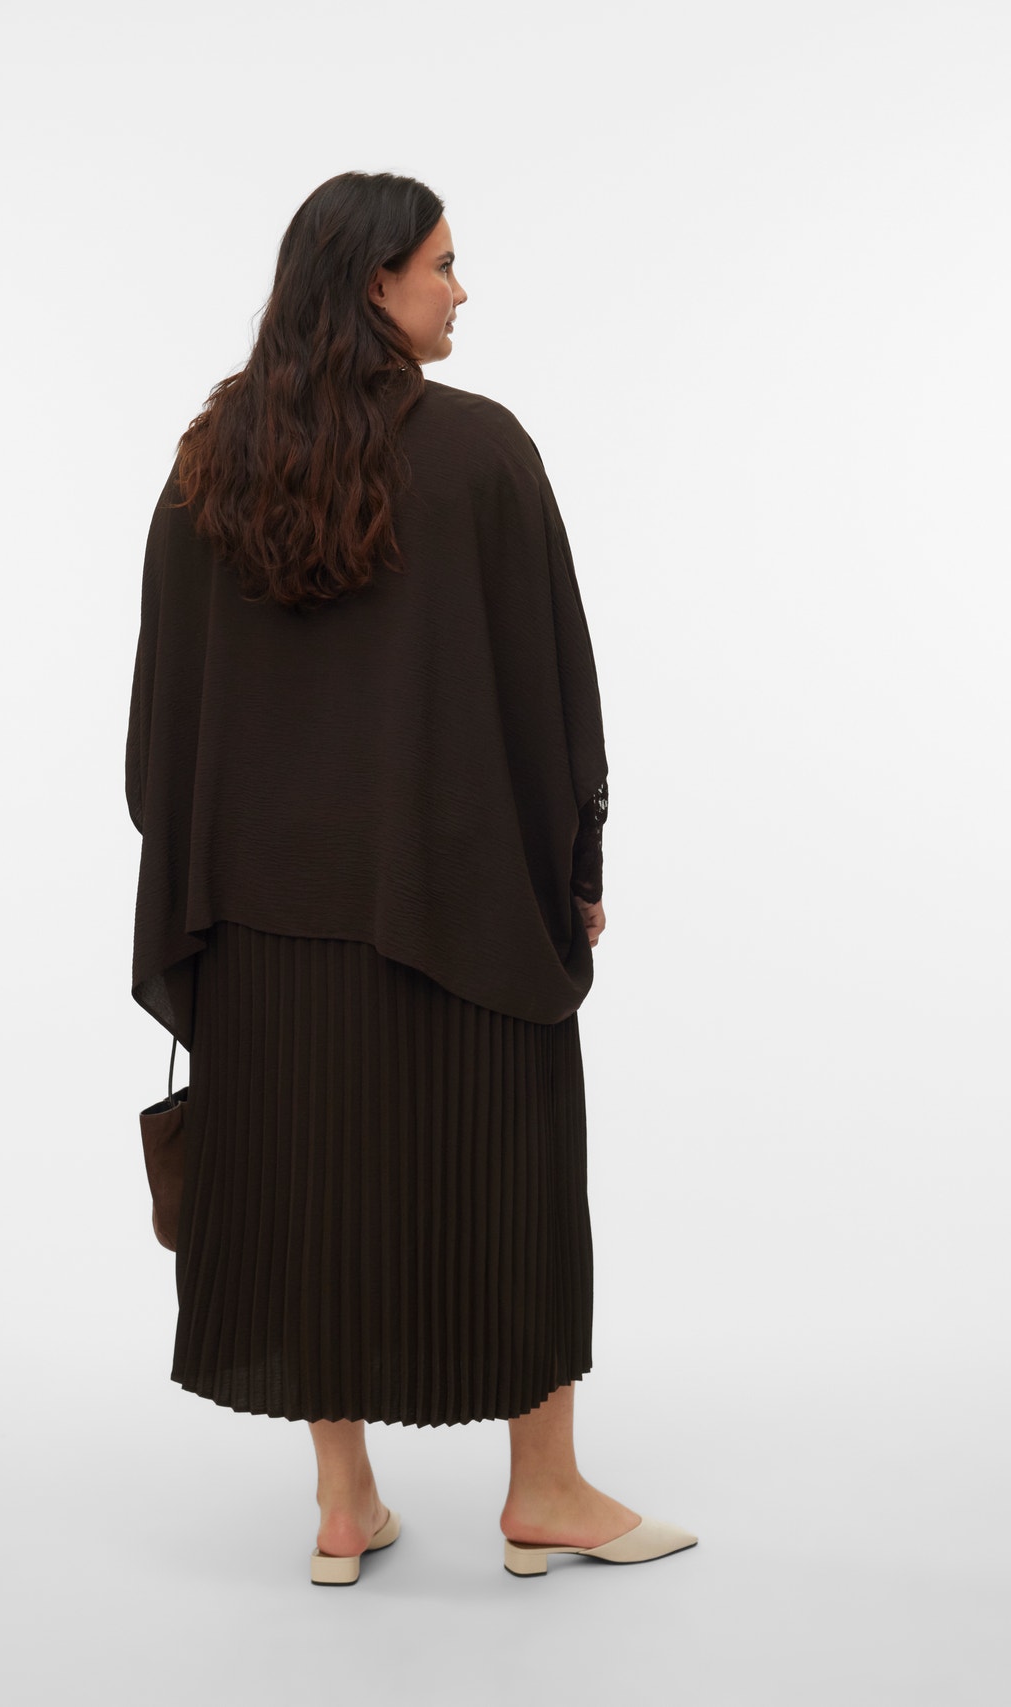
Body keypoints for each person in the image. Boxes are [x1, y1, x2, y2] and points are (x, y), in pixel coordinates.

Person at [125, 170, 697, 1584]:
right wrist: (575, 863)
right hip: (457, 904)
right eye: (442, 262)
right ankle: (543, 1489)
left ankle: (342, 1504)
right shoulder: (480, 450)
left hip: (261, 922)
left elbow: (160, 724)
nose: (460, 288)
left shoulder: (208, 469)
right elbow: (554, 688)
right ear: (374, 280)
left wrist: (205, 888)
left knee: (311, 1191)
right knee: (509, 1181)